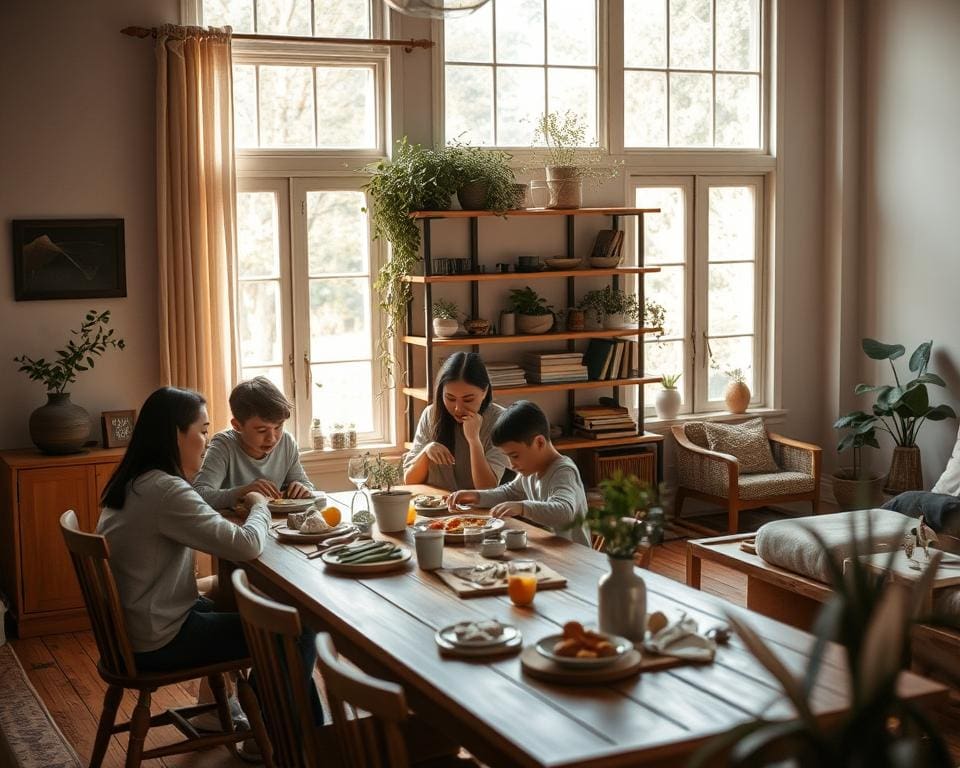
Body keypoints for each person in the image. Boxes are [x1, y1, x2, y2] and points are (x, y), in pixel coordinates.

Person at [96, 387, 323, 733]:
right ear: (175, 434)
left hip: (137, 624)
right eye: (202, 431)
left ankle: (276, 722)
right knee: (296, 630)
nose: (206, 439)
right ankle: (290, 733)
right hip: (159, 637)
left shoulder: (136, 481)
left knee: (260, 608)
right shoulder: (167, 491)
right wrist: (258, 505)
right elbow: (246, 545)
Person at [447, 400, 590, 545]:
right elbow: (508, 493)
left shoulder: (563, 471)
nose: (511, 464)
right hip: (550, 550)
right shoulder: (531, 470)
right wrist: (476, 496)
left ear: (539, 442)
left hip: (575, 560)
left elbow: (565, 511)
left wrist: (522, 508)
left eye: (514, 456)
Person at [194, 376, 315, 509]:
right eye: (262, 430)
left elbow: (308, 486)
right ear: (237, 425)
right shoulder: (223, 445)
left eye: (278, 427)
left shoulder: (286, 442)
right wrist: (243, 492)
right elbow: (200, 495)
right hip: (234, 525)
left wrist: (302, 489)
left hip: (274, 524)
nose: (272, 438)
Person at [403, 352, 509, 491]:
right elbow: (410, 481)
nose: (458, 408)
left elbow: (487, 488)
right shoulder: (431, 414)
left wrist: (474, 441)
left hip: (479, 510)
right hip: (439, 507)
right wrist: (426, 452)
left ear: (484, 391)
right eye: (450, 398)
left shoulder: (501, 421)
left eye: (468, 399)